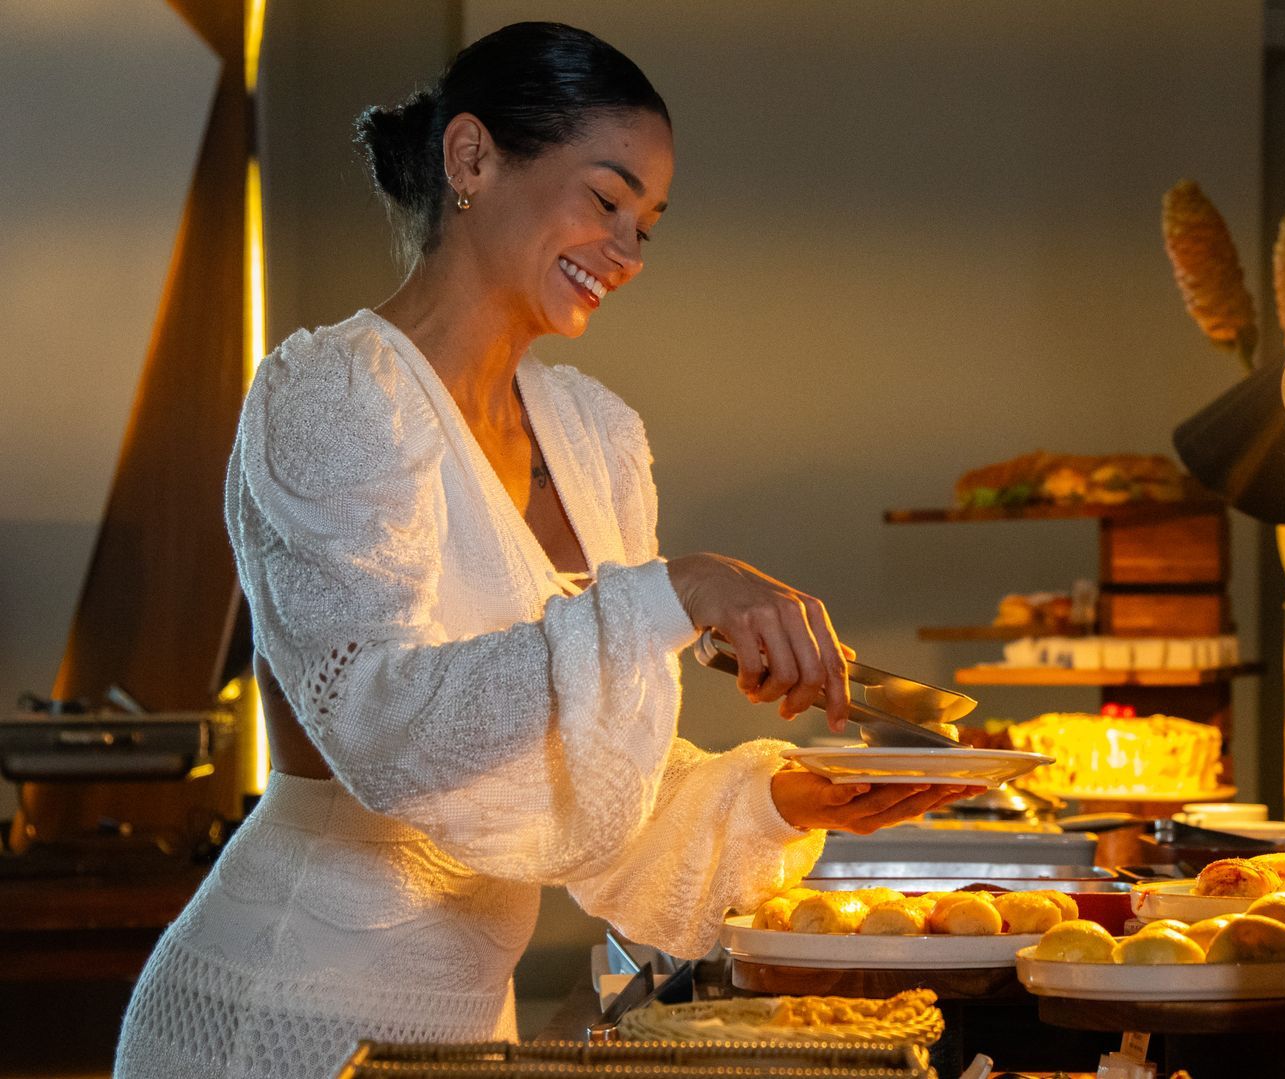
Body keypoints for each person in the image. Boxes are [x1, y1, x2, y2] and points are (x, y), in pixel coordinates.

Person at [116, 22, 968, 1077]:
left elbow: (588, 796)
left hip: (470, 1028)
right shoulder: (336, 394)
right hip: (288, 1013)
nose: (626, 249)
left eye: (648, 224)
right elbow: (384, 727)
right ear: (471, 158)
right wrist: (676, 589)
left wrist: (778, 800)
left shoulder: (598, 436)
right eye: (605, 200)